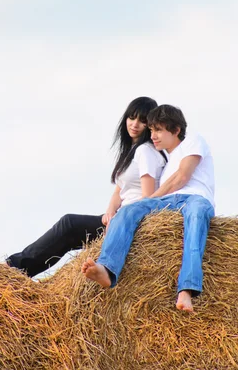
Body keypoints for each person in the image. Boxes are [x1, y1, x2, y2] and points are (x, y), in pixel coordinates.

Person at [7, 97, 166, 277]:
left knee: (69, 225)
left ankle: (15, 267)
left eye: (142, 121)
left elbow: (147, 197)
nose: (135, 124)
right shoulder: (132, 151)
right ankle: (20, 269)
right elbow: (119, 190)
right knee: (69, 231)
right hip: (119, 217)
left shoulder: (145, 151)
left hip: (131, 222)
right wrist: (110, 212)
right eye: (131, 117)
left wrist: (119, 220)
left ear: (150, 125)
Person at [81, 104, 215, 313]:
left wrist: (150, 200)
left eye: (159, 130)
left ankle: (186, 290)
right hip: (169, 202)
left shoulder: (193, 141)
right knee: (129, 210)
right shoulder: (165, 159)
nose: (153, 135)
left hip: (196, 199)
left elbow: (182, 177)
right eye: (151, 130)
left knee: (195, 219)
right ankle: (106, 269)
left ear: (176, 130)